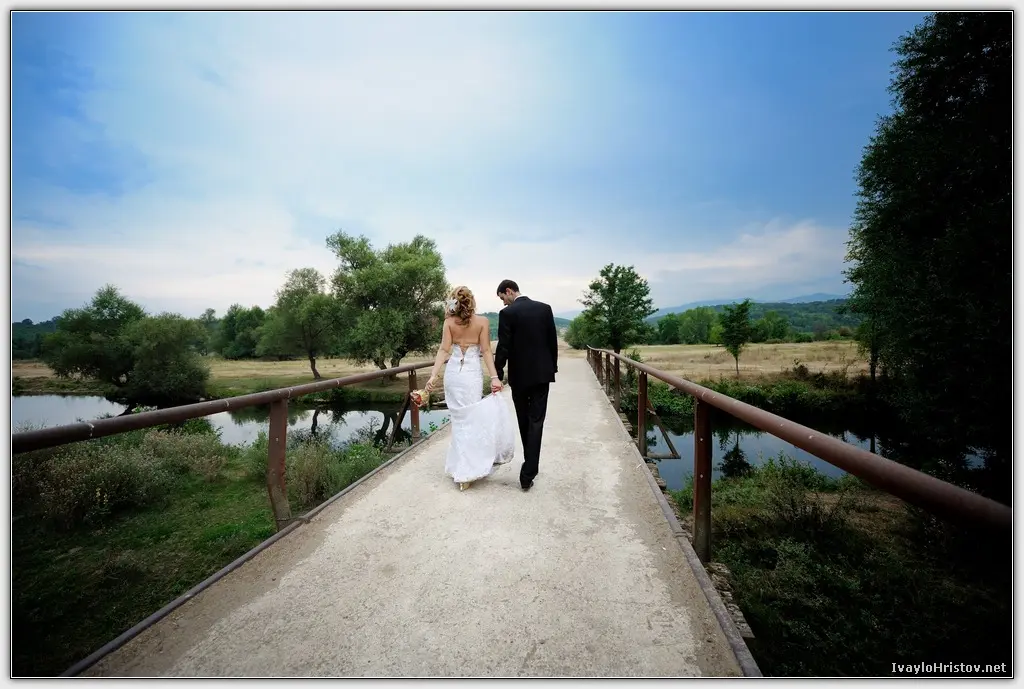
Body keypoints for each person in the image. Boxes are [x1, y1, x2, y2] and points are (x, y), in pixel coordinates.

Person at [424, 286, 515, 491]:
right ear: (472, 301)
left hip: (454, 376)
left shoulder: (449, 323)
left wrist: (433, 375)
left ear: (454, 303)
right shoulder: (483, 322)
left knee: (459, 422)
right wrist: (494, 377)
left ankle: (462, 468)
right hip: (471, 376)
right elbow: (486, 351)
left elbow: (443, 350)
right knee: (471, 420)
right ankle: (467, 470)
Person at [493, 279, 558, 492]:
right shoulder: (545, 309)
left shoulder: (507, 314)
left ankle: (529, 469)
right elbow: (552, 341)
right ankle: (528, 472)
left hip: (519, 377)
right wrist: (552, 367)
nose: (504, 303)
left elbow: (503, 346)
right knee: (536, 421)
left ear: (509, 291)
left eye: (503, 298)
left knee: (524, 420)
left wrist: (498, 372)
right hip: (542, 375)